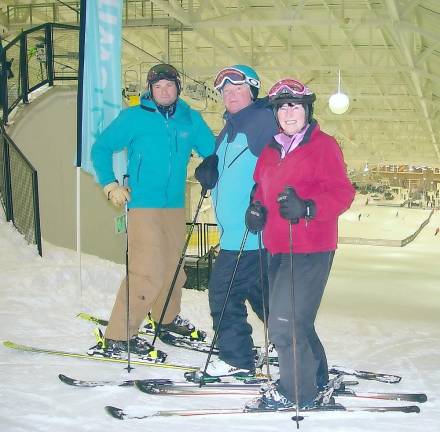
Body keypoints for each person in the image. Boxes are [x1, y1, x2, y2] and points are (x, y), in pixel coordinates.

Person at [89, 63, 215, 360]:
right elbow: (101, 148)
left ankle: (166, 319)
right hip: (143, 204)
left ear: (177, 88)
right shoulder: (134, 118)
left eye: (169, 86)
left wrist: (209, 167)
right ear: (150, 89)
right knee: (147, 270)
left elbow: (213, 151)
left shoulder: (189, 119)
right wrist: (110, 185)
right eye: (158, 87)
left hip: (173, 205)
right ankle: (119, 335)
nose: (164, 91)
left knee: (173, 267)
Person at [245, 78, 355, 410]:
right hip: (278, 247)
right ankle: (317, 378)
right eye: (282, 106)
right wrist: (256, 210)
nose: (288, 112)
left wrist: (308, 207)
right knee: (297, 320)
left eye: (295, 105)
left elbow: (342, 193)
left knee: (283, 322)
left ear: (307, 110)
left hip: (311, 246)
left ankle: (297, 392)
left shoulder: (323, 145)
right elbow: (259, 189)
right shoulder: (270, 149)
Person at [195, 65, 278, 377]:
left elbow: (281, 165)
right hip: (236, 232)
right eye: (225, 90)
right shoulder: (231, 126)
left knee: (224, 294)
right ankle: (290, 343)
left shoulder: (263, 120)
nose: (230, 93)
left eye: (238, 88)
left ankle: (236, 359)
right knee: (262, 294)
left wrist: (264, 200)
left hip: (249, 232)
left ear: (252, 91)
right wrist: (209, 175)